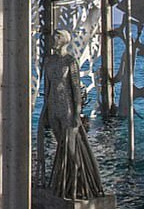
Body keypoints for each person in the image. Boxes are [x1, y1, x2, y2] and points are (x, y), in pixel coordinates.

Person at [36, 29, 104, 200]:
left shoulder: (70, 61)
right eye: (53, 37)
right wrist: (44, 110)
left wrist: (77, 112)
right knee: (61, 146)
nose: (53, 40)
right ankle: (64, 182)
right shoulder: (49, 61)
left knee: (71, 148)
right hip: (53, 108)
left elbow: (75, 88)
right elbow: (47, 88)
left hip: (66, 108)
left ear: (64, 40)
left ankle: (79, 181)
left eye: (56, 37)